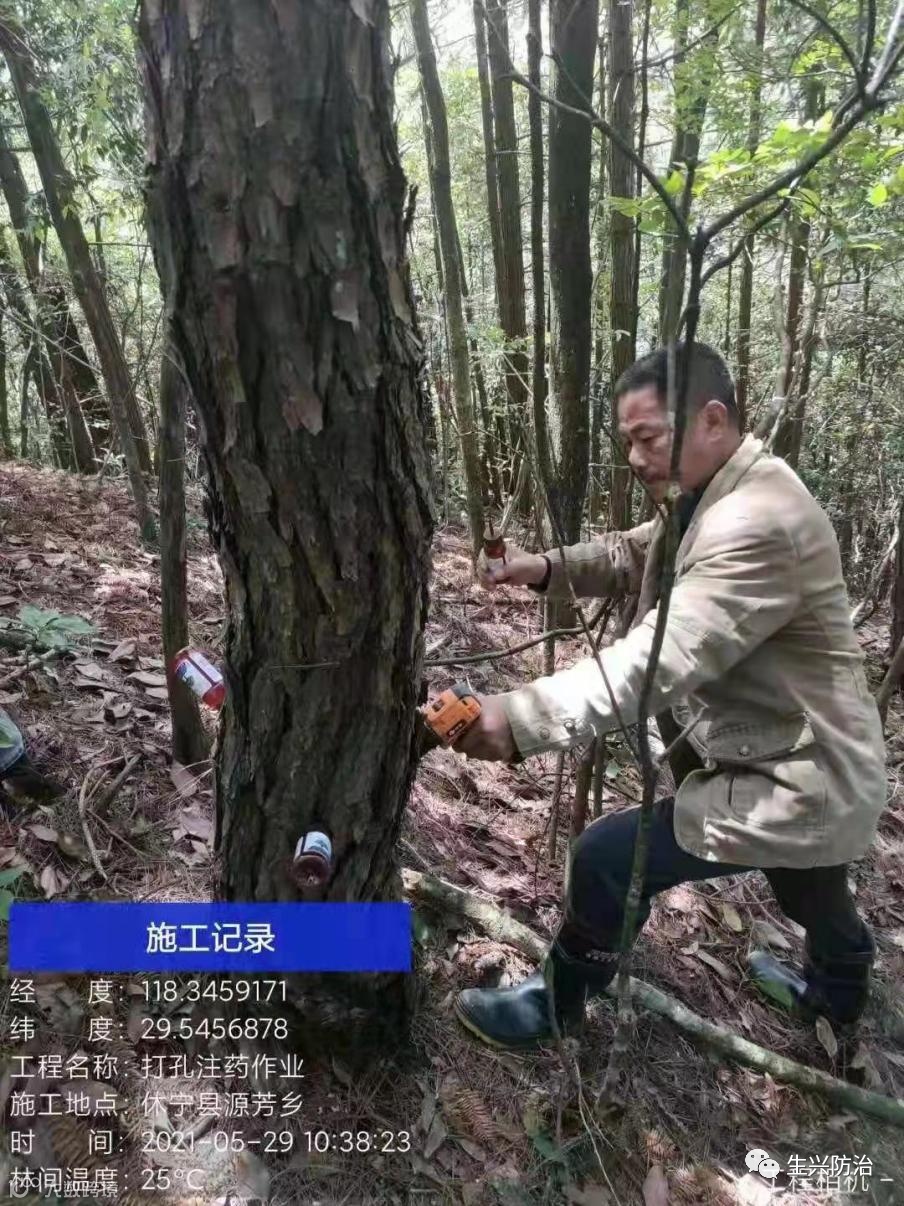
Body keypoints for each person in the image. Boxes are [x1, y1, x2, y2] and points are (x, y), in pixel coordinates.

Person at [450, 341, 886, 1050]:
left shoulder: (760, 521)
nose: (634, 457)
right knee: (809, 883)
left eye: (648, 437)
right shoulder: (717, 496)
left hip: (807, 776)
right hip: (797, 758)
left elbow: (661, 656)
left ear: (711, 419)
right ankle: (838, 994)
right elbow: (635, 552)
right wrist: (541, 568)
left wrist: (523, 716)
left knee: (607, 857)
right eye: (628, 441)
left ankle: (556, 1004)